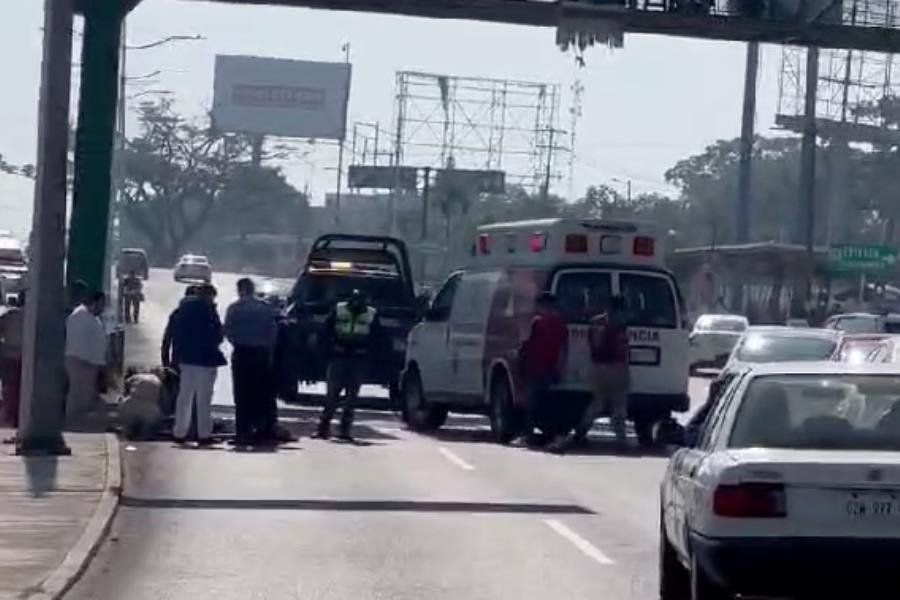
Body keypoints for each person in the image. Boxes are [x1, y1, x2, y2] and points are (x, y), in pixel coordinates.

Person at [314, 289, 382, 441]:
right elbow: (325, 332)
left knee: (351, 398)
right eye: (354, 300)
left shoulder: (371, 313)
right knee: (332, 396)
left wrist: (368, 352)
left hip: (358, 358)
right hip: (339, 356)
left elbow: (377, 337)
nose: (357, 303)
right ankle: (323, 429)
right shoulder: (339, 310)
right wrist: (330, 348)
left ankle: (345, 430)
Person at [224, 278, 279, 446]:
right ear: (253, 289)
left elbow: (228, 331)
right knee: (260, 394)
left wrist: (238, 342)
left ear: (240, 290)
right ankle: (261, 432)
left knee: (242, 395)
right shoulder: (265, 308)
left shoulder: (234, 309)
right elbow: (273, 332)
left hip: (242, 354)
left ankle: (242, 432)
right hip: (261, 355)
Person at [170, 284, 225, 444]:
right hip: (205, 359)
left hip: (186, 358)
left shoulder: (183, 309)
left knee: (184, 396)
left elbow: (175, 334)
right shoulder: (208, 310)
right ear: (209, 296)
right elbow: (217, 334)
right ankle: (204, 434)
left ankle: (179, 432)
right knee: (203, 398)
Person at [575, 295, 630, 448]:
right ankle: (621, 439)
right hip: (617, 367)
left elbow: (592, 344)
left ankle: (581, 431)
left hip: (598, 367)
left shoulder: (595, 322)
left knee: (597, 403)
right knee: (619, 404)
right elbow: (622, 346)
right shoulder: (621, 323)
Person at [514, 291, 568, 446]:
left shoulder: (537, 322)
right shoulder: (560, 323)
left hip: (536, 368)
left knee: (531, 404)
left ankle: (527, 436)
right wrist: (560, 367)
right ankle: (553, 436)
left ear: (543, 305)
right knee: (549, 404)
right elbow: (564, 348)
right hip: (551, 368)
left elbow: (526, 343)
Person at [65, 291, 108, 424]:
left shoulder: (91, 317)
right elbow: (79, 343)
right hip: (81, 361)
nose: (103, 308)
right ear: (94, 303)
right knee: (78, 392)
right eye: (101, 305)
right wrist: (91, 362)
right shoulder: (80, 316)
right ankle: (72, 420)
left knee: (85, 394)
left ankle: (78, 419)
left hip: (89, 362)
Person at [0, 291, 25, 427]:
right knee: (22, 390)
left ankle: (9, 417)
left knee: (9, 389)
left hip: (9, 356)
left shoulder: (9, 315)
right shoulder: (33, 316)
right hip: (26, 359)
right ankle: (18, 418)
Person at [161, 285, 199, 370]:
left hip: (180, 360)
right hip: (196, 363)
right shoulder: (205, 314)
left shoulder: (177, 313)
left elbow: (167, 339)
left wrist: (165, 362)